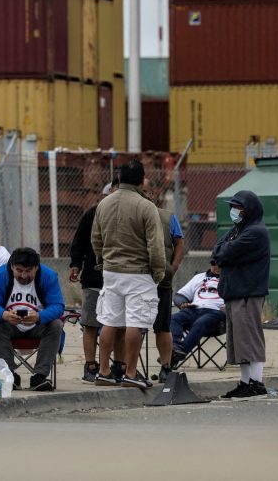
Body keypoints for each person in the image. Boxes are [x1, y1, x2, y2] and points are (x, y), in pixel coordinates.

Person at [90, 160, 166, 389]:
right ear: (142, 181)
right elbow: (155, 244)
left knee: (109, 320)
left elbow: (96, 238)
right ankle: (130, 373)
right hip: (139, 272)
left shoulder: (104, 204)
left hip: (112, 271)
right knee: (136, 322)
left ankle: (103, 371)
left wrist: (102, 261)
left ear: (120, 178)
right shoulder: (146, 206)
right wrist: (158, 270)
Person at [211, 190, 271, 399]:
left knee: (250, 338)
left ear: (249, 210)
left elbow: (224, 253)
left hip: (248, 292)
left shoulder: (255, 232)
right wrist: (222, 255)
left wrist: (223, 255)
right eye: (233, 207)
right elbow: (216, 251)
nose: (234, 211)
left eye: (238, 207)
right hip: (236, 291)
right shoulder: (239, 229)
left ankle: (256, 383)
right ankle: (245, 383)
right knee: (239, 341)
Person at [0, 247, 65, 392]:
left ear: (37, 267)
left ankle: (39, 376)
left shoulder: (49, 276)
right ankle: (9, 375)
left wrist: (39, 317)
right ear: (11, 267)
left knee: (56, 325)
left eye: (28, 271)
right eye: (19, 270)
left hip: (38, 326)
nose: (23, 275)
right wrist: (5, 315)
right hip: (10, 325)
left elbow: (58, 306)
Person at [68, 176, 120, 383]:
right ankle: (90, 364)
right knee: (90, 323)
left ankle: (117, 364)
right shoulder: (92, 214)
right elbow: (79, 242)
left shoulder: (127, 214)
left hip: (119, 277)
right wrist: (75, 265)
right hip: (94, 277)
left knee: (117, 324)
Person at [148, 178, 186, 383]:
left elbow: (179, 243)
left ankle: (166, 365)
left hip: (162, 280)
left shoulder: (167, 217)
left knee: (162, 326)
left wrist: (173, 267)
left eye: (146, 190)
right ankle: (128, 368)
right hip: (137, 279)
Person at [169, 264, 225, 366]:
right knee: (174, 318)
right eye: (214, 263)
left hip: (216, 313)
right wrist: (182, 303)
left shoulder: (231, 278)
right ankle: (175, 347)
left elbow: (239, 299)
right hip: (194, 309)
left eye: (220, 263)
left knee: (201, 322)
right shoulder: (199, 277)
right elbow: (180, 295)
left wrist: (230, 307)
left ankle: (173, 357)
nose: (216, 266)